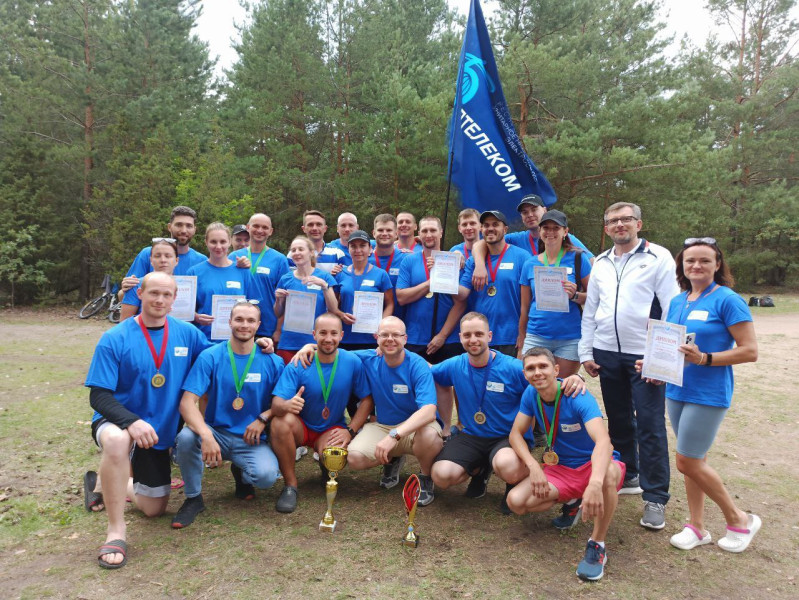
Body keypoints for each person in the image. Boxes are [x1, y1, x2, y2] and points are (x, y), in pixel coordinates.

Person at [637, 238, 760, 553]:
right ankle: (696, 526)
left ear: (717, 265)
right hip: (677, 389)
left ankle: (740, 519)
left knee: (686, 461)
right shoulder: (679, 300)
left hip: (708, 393)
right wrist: (653, 365)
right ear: (682, 265)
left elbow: (749, 351)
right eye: (690, 260)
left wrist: (705, 358)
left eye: (705, 260)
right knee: (693, 460)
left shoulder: (728, 300)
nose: (696, 266)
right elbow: (674, 347)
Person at [83, 272, 209, 568]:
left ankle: (105, 483)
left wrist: (262, 345)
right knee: (117, 441)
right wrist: (132, 422)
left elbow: (217, 359)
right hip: (118, 421)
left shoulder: (188, 334)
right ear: (139, 294)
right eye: (154, 293)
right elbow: (99, 396)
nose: (160, 300)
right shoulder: (115, 337)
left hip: (157, 434)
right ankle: (116, 531)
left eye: (167, 295)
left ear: (174, 299)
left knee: (153, 509)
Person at [579, 202, 679, 530]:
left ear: (639, 223)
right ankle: (629, 474)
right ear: (606, 228)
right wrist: (586, 351)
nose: (620, 225)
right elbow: (592, 308)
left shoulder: (659, 257)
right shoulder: (601, 261)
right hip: (606, 352)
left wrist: (659, 357)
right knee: (619, 419)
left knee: (650, 423)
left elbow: (672, 308)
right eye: (613, 221)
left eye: (626, 219)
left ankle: (656, 496)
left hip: (643, 355)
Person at [294, 316, 444, 505]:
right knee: (355, 457)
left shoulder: (417, 364)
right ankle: (393, 459)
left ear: (405, 339)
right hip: (384, 425)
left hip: (416, 429)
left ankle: (425, 477)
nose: (390, 339)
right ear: (376, 338)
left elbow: (428, 411)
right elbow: (334, 350)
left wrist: (394, 436)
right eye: (385, 335)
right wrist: (309, 346)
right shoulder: (368, 357)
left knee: (429, 437)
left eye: (396, 335)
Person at [507, 347, 625, 581]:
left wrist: (595, 483)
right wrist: (534, 467)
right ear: (525, 374)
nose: (537, 372)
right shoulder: (531, 394)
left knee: (608, 475)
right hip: (561, 467)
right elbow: (515, 434)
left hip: (593, 464)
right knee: (516, 502)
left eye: (543, 366)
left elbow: (603, 442)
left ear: (556, 370)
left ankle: (597, 544)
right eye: (531, 368)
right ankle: (573, 501)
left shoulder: (577, 395)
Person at [172, 301, 284, 528]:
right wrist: (206, 435)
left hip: (251, 438)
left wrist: (263, 417)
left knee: (266, 478)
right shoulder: (210, 357)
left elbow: (282, 402)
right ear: (229, 322)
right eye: (239, 319)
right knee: (186, 437)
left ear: (258, 325)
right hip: (217, 434)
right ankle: (193, 498)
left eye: (251, 320)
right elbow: (186, 403)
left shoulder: (273, 360)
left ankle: (241, 473)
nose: (244, 325)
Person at [269, 313, 374, 513]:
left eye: (334, 333)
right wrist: (288, 405)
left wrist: (351, 430)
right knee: (279, 423)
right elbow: (276, 404)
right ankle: (290, 486)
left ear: (341, 335)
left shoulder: (352, 361)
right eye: (323, 333)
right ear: (314, 334)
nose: (328, 338)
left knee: (334, 457)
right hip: (301, 426)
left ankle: (327, 468)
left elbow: (367, 400)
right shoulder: (300, 361)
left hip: (330, 429)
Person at [430, 312, 535, 512]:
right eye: (467, 335)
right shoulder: (455, 364)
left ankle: (515, 482)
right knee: (441, 475)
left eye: (479, 334)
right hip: (471, 435)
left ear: (489, 336)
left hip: (508, 437)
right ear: (460, 337)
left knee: (507, 466)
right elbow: (425, 371)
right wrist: (391, 351)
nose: (473, 340)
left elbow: (546, 381)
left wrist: (576, 379)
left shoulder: (513, 367)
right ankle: (480, 469)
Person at [518, 210, 592, 375]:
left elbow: (595, 297)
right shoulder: (529, 264)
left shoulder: (579, 259)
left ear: (565, 231)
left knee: (562, 385)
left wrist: (575, 295)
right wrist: (522, 338)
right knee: (533, 383)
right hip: (536, 335)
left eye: (555, 228)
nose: (550, 232)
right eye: (546, 228)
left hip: (570, 338)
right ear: (540, 231)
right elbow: (524, 307)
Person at [456, 211, 530, 357]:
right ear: (481, 229)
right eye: (486, 225)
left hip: (511, 337)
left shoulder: (522, 257)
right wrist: (440, 275)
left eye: (495, 225)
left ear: (505, 229)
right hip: (480, 337)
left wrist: (523, 334)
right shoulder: (474, 261)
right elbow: (462, 294)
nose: (490, 228)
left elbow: (527, 302)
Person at [396, 216, 466, 364]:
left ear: (441, 232)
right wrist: (432, 281)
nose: (428, 234)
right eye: (424, 231)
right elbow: (401, 298)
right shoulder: (409, 261)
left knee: (447, 379)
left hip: (448, 340)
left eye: (433, 230)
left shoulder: (452, 261)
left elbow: (460, 303)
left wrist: (442, 336)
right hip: (415, 338)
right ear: (419, 234)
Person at [274, 236, 340, 363]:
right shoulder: (285, 279)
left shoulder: (324, 277)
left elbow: (333, 309)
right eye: (293, 250)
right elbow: (278, 313)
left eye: (301, 249)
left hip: (315, 342)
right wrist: (278, 300)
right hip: (288, 342)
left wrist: (324, 286)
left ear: (311, 252)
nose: (296, 253)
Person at [229, 213, 290, 339]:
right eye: (256, 226)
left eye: (265, 227)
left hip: (268, 328)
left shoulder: (279, 259)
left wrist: (279, 330)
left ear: (271, 231)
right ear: (248, 227)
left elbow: (285, 299)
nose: (260, 230)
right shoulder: (234, 257)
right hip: (238, 326)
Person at [188, 223, 252, 341]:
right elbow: (185, 309)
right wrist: (196, 317)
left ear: (229, 242)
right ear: (206, 242)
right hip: (204, 340)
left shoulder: (243, 271)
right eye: (213, 242)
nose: (218, 246)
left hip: (236, 340)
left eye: (223, 242)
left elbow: (252, 305)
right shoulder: (194, 272)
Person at [337, 230, 394, 349]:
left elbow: (390, 304)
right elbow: (333, 306)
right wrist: (341, 315)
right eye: (353, 246)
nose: (358, 250)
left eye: (362, 246)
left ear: (370, 249)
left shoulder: (381, 274)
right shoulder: (340, 274)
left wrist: (381, 326)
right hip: (344, 338)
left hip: (372, 338)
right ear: (348, 249)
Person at [125, 206, 207, 278]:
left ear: (194, 230)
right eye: (179, 225)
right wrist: (126, 287)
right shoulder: (148, 254)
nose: (183, 231)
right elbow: (128, 290)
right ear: (169, 227)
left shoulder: (202, 261)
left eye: (189, 226)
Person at [119, 238, 179, 321]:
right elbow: (125, 323)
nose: (163, 260)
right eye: (157, 256)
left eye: (168, 256)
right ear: (151, 260)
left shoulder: (186, 286)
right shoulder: (135, 285)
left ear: (176, 260)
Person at [369, 214, 408, 320]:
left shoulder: (407, 259)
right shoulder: (364, 259)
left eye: (389, 230)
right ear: (374, 233)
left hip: (401, 321)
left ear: (396, 234)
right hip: (368, 321)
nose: (384, 233)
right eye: (380, 230)